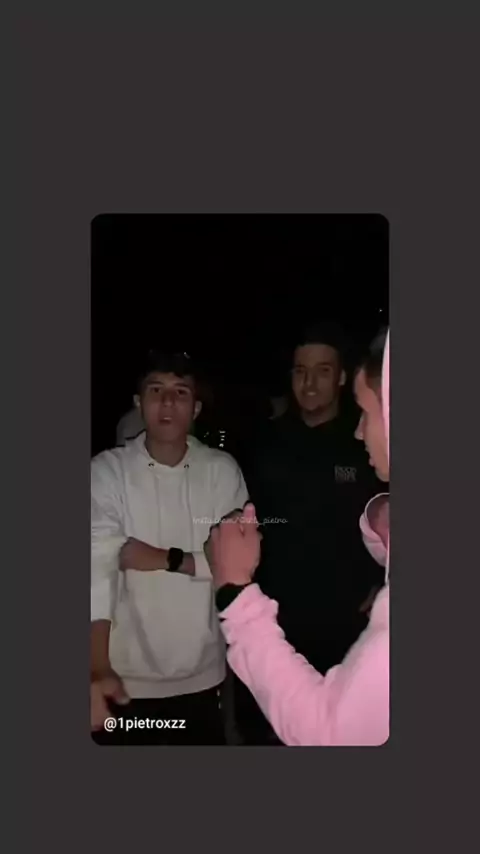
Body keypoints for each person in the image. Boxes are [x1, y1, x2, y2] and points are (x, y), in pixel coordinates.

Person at [204, 328, 390, 746]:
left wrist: (378, 582)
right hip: (272, 610)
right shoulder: (263, 441)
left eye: (322, 371)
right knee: (263, 728)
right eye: (300, 371)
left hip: (344, 619)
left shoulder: (366, 443)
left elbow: (384, 520)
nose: (309, 383)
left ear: (341, 377)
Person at [90, 350, 249, 745]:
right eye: (156, 390)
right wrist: (96, 666)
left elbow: (240, 563)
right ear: (138, 402)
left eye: (180, 392)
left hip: (202, 674)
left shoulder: (221, 470)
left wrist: (164, 559)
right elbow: (97, 566)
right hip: (123, 678)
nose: (167, 402)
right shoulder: (106, 471)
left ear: (196, 408)